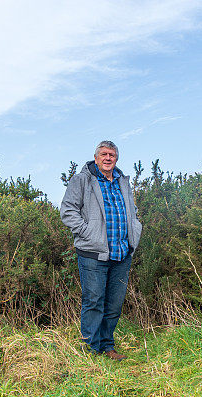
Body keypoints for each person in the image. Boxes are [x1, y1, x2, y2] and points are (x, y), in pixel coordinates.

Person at [60, 141, 142, 361]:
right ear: (96, 157)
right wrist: (88, 233)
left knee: (113, 305)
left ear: (117, 158)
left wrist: (135, 229)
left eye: (112, 155)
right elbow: (68, 211)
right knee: (94, 302)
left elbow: (132, 211)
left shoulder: (122, 182)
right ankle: (91, 350)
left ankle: (108, 346)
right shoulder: (82, 180)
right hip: (93, 253)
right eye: (104, 154)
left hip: (122, 253)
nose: (108, 158)